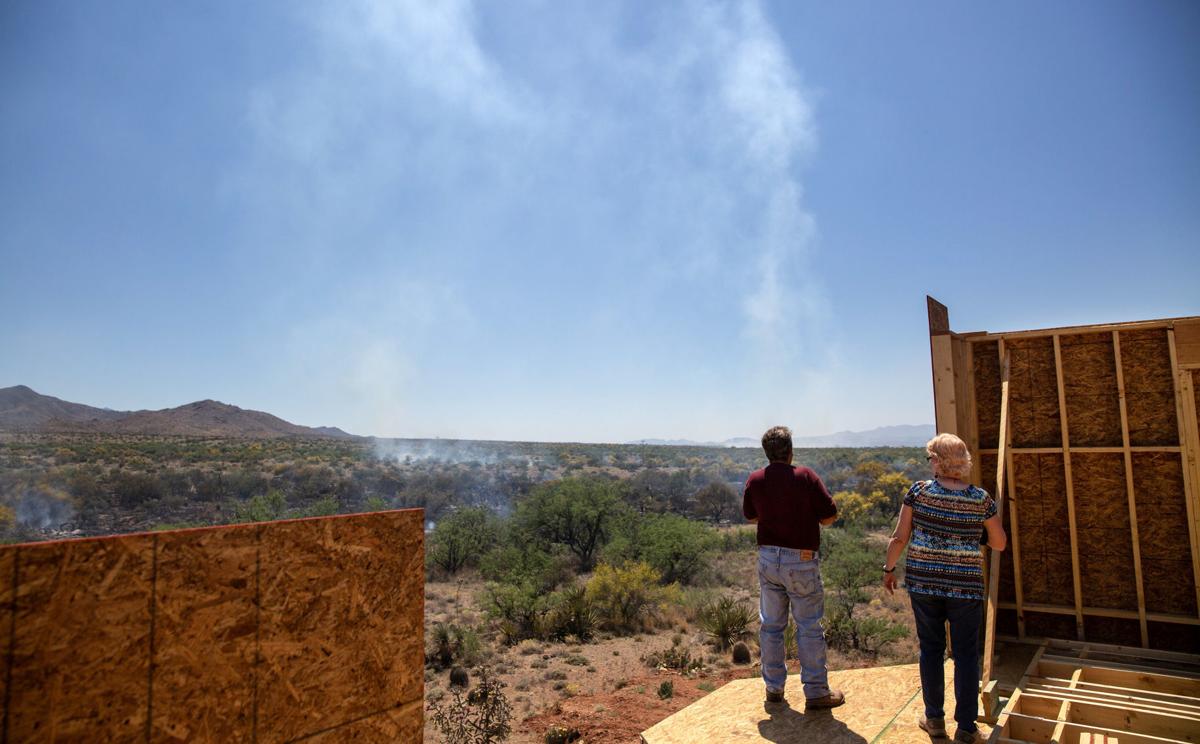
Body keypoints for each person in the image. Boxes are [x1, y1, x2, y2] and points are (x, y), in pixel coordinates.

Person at [883, 433, 1007, 744]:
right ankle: (966, 727)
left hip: (925, 584)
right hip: (965, 587)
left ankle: (934, 719)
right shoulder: (981, 499)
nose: (929, 463)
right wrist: (971, 538)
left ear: (938, 461)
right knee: (966, 655)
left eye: (930, 458)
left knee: (931, 650)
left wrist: (888, 569)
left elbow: (900, 537)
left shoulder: (919, 492)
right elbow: (999, 543)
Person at [743, 425, 844, 709]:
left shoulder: (756, 479)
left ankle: (774, 690)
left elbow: (751, 516)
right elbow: (829, 516)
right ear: (790, 451)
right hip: (800, 561)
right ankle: (816, 693)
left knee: (771, 626)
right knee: (809, 626)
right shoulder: (805, 477)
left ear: (767, 452)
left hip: (768, 559)